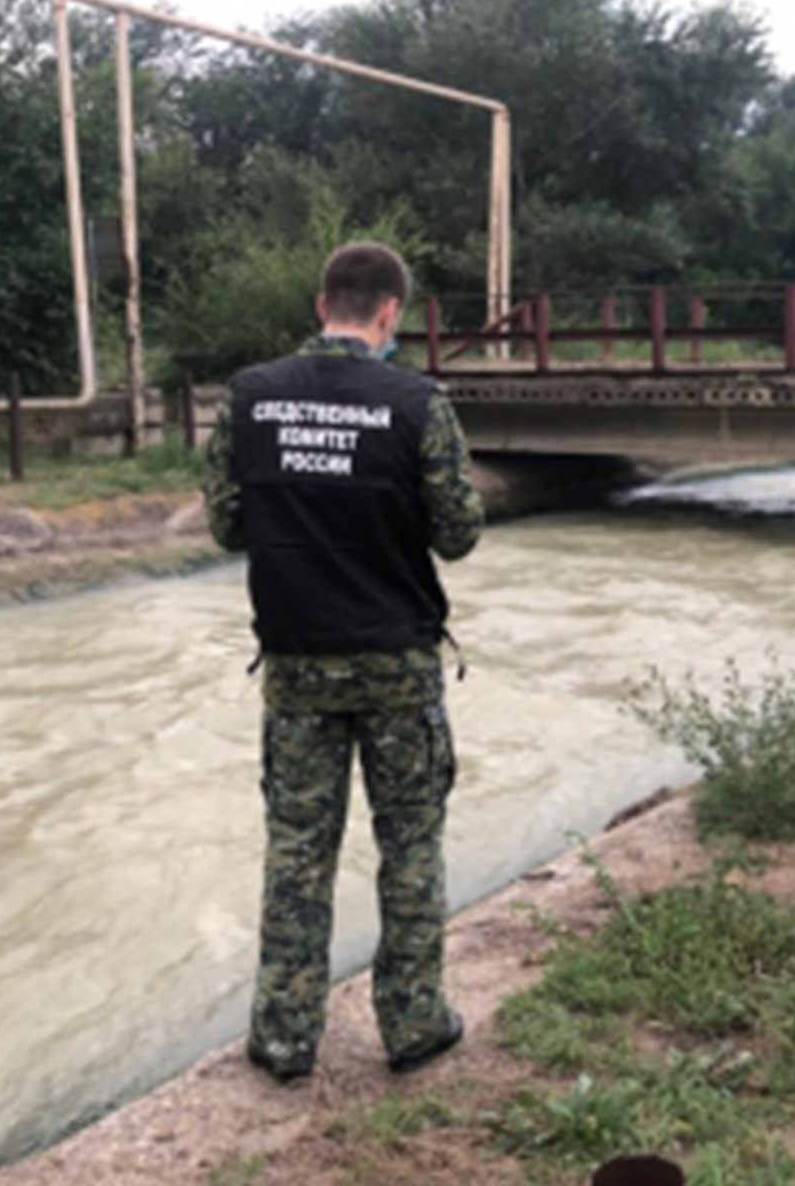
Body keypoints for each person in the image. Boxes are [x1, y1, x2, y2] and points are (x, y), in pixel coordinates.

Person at [203, 241, 485, 1084]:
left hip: (296, 665)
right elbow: (459, 533)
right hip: (398, 664)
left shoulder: (249, 399)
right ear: (390, 314)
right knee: (410, 847)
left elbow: (226, 524)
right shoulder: (417, 402)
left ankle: (285, 1039)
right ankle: (413, 1025)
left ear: (322, 301)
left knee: (296, 851)